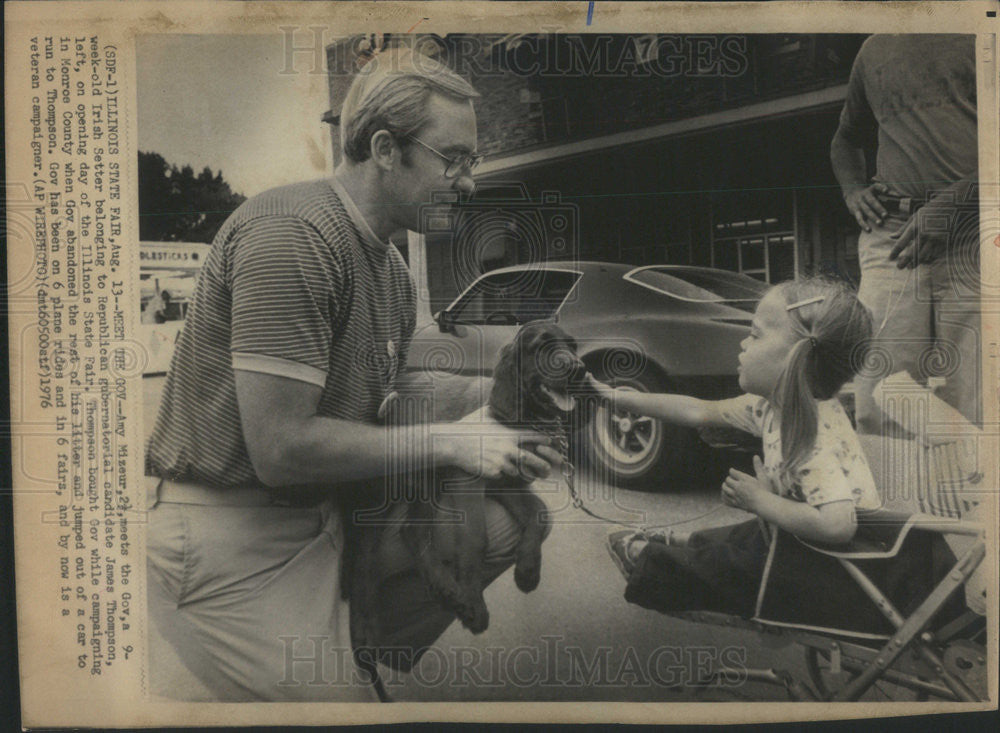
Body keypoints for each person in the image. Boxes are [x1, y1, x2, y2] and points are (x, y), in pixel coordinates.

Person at [144, 47, 561, 701]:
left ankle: (355, 645)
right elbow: (281, 449)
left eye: (471, 163)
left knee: (515, 523)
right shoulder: (294, 233)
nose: (468, 181)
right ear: (387, 149)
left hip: (323, 521)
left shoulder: (392, 270)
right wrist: (454, 439)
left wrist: (515, 399)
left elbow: (403, 387)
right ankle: (333, 668)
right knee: (346, 710)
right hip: (233, 540)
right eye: (454, 159)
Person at [601, 278, 890, 629]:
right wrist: (614, 397)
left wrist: (761, 501)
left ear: (794, 359)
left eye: (754, 334)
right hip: (818, 552)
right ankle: (688, 543)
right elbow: (697, 411)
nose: (743, 343)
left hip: (841, 570)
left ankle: (656, 562)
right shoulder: (770, 407)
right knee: (751, 532)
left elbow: (838, 525)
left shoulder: (812, 436)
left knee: (741, 554)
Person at [830, 34, 980, 435]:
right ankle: (897, 498)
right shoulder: (874, 49)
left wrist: (951, 206)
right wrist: (852, 190)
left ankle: (964, 494)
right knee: (877, 403)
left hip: (976, 233)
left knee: (974, 400)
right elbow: (845, 139)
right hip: (894, 236)